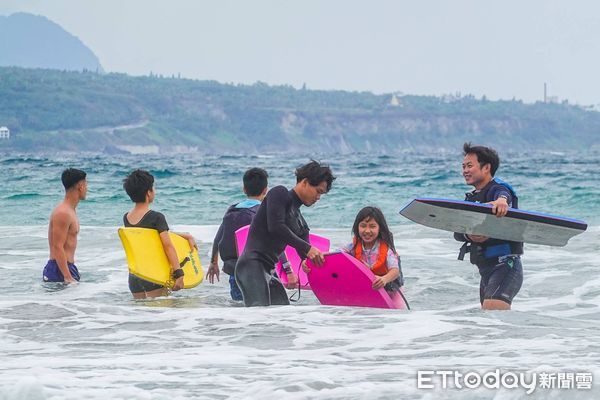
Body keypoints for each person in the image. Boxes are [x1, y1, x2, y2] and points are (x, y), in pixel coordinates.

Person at [234, 160, 335, 307]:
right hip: (251, 265)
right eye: (318, 191)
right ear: (305, 182)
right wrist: (308, 250)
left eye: (322, 194)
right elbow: (275, 227)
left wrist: (308, 262)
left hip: (270, 271)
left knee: (282, 316)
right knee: (257, 319)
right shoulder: (279, 194)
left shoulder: (301, 222)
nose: (318, 197)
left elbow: (305, 252)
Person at [455, 142, 524, 310]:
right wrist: (469, 236)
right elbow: (457, 232)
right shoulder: (471, 198)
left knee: (493, 310)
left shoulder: (498, 189)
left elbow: (504, 194)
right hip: (486, 269)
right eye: (463, 166)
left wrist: (501, 201)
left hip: (505, 264)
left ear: (486, 168)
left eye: (470, 166)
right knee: (489, 321)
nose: (465, 170)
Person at [122, 169, 197, 299]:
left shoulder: (127, 218)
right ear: (148, 193)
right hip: (154, 274)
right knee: (159, 315)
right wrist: (179, 273)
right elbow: (167, 245)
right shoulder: (156, 217)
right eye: (153, 188)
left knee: (139, 316)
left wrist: (184, 235)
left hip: (135, 276)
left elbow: (150, 237)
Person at [207, 167, 276, 301]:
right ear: (265, 190)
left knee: (240, 310)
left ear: (244, 189)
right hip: (258, 273)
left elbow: (218, 237)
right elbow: (273, 242)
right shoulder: (263, 212)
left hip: (236, 272)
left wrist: (213, 263)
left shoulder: (232, 209)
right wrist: (288, 269)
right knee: (263, 310)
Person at [43, 168, 88, 283]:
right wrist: (67, 276)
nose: (87, 189)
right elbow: (57, 246)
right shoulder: (63, 213)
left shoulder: (70, 210)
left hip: (66, 268)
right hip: (59, 270)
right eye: (86, 184)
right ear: (80, 186)